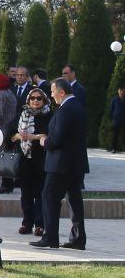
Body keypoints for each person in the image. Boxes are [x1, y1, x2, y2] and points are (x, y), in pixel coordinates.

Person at [30, 78, 89, 250]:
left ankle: (50, 237)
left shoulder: (65, 110)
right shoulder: (78, 107)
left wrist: (45, 142)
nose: (51, 94)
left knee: (49, 197)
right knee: (74, 200)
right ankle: (78, 239)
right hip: (76, 164)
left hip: (61, 164)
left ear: (62, 92)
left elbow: (58, 137)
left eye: (53, 91)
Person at [6, 85, 51, 236]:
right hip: (24, 159)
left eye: (39, 98)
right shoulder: (22, 114)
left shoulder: (48, 115)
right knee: (25, 194)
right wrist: (18, 136)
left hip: (41, 160)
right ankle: (27, 223)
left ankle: (40, 224)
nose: (36, 101)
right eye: (33, 98)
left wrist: (34, 137)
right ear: (28, 100)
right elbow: (10, 134)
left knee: (39, 193)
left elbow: (49, 135)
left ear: (44, 100)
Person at [110, 84, 125, 153]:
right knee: (115, 134)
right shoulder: (114, 99)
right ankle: (114, 148)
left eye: (123, 91)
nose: (122, 92)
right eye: (120, 90)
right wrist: (113, 117)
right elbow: (111, 110)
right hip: (116, 120)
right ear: (118, 91)